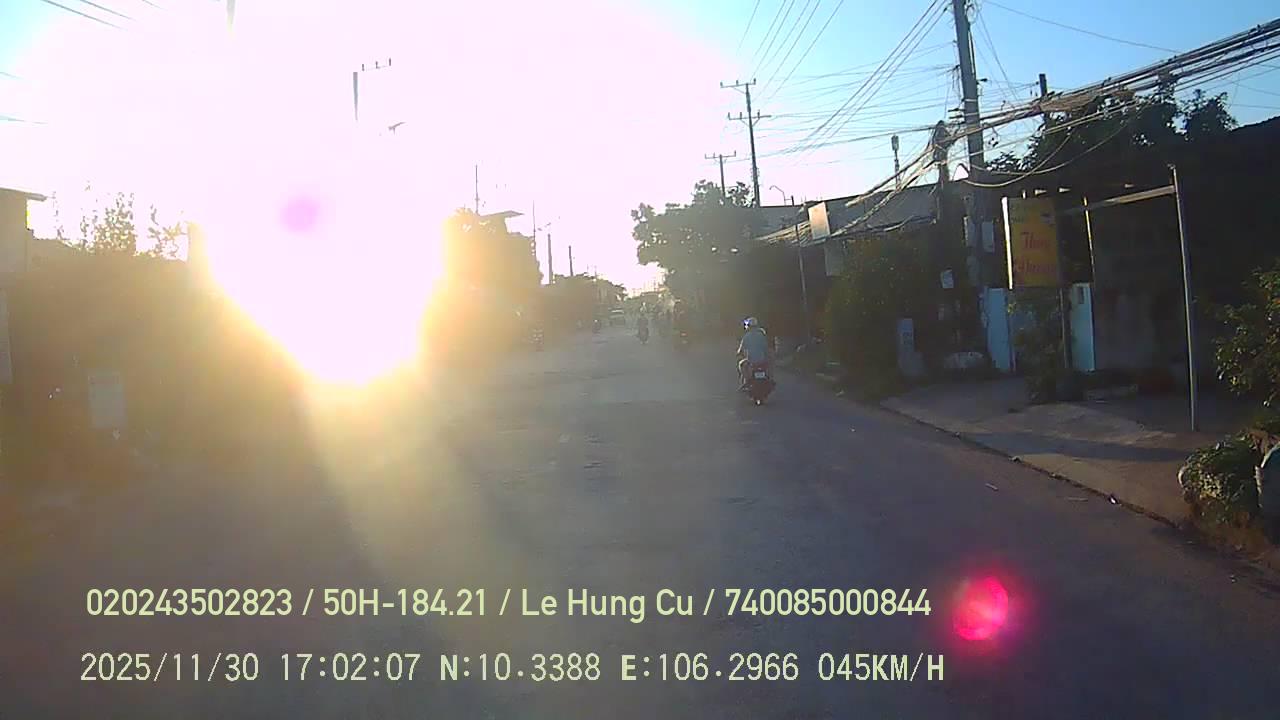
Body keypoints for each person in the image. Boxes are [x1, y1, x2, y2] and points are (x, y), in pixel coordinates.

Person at [737, 317, 770, 389]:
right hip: (762, 360)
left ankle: (747, 381)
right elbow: (766, 348)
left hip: (751, 361)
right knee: (768, 366)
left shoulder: (746, 336)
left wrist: (738, 353)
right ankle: (769, 378)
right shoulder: (762, 335)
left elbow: (740, 349)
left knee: (741, 365)